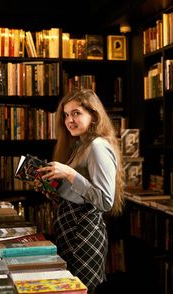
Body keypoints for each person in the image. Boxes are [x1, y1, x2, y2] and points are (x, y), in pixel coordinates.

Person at [34, 88, 125, 294]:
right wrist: (53, 189)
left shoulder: (97, 146)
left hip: (84, 234)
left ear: (93, 115)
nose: (69, 120)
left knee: (82, 290)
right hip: (70, 231)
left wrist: (69, 173)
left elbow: (104, 201)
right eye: (66, 115)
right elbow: (79, 194)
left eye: (76, 113)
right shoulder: (80, 145)